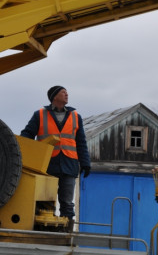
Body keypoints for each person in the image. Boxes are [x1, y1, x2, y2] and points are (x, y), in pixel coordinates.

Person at [20, 85, 91, 230]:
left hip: (69, 164)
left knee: (67, 203)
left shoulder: (76, 116)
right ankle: (44, 231)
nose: (67, 95)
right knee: (45, 202)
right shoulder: (39, 114)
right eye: (63, 92)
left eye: (67, 92)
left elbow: (81, 142)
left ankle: (66, 233)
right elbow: (27, 135)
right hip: (46, 165)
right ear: (54, 97)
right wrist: (25, 157)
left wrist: (85, 163)